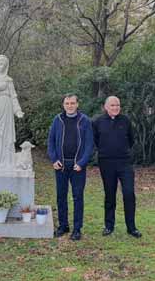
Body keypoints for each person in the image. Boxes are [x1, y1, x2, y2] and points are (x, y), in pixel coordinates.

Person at [92, 96, 142, 238]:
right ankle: (109, 226)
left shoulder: (125, 121)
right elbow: (96, 140)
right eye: (112, 105)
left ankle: (131, 227)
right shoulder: (98, 122)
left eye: (118, 105)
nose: (115, 108)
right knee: (110, 194)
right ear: (106, 107)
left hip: (124, 163)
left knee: (129, 193)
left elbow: (131, 140)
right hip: (106, 163)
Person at [47, 94, 94, 241]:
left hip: (77, 166)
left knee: (77, 197)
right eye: (67, 103)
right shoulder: (57, 120)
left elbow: (89, 145)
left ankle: (77, 229)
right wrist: (54, 159)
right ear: (63, 105)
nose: (70, 106)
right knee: (61, 196)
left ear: (77, 104)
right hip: (60, 165)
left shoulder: (85, 121)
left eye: (72, 103)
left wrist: (82, 162)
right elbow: (51, 142)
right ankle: (63, 226)